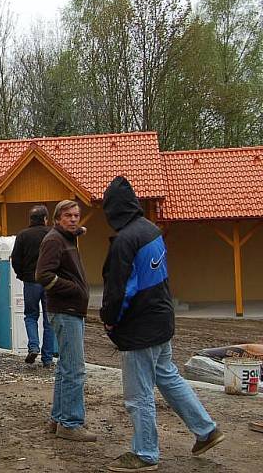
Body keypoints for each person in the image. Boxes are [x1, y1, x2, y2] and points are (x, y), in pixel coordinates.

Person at [101, 176, 224, 472]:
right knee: (169, 378)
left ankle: (145, 453)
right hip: (161, 320)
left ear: (113, 210)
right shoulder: (152, 231)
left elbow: (121, 292)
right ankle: (206, 430)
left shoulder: (124, 242)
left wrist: (109, 321)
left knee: (138, 394)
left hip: (139, 329)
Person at [36, 199, 95, 442]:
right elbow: (43, 274)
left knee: (64, 368)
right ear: (57, 219)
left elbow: (76, 231)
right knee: (74, 369)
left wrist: (79, 230)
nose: (73, 219)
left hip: (70, 310)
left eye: (76, 215)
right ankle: (70, 423)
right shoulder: (53, 240)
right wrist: (72, 289)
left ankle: (58, 418)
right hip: (66, 310)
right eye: (68, 216)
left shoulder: (66, 236)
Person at [10, 205, 57, 367]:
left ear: (30, 219)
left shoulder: (23, 235)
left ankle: (33, 346)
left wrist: (22, 275)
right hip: (50, 282)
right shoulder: (52, 233)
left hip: (30, 281)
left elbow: (15, 259)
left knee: (30, 315)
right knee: (49, 319)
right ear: (45, 219)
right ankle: (48, 358)